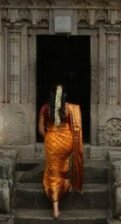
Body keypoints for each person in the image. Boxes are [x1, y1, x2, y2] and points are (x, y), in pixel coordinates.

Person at [37, 84, 83, 219]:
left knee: (53, 173)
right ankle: (66, 184)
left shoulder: (45, 109)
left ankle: (56, 208)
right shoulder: (70, 109)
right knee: (62, 166)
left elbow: (40, 129)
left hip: (52, 142)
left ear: (51, 96)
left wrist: (50, 138)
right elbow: (76, 128)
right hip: (67, 142)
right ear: (64, 96)